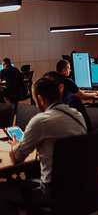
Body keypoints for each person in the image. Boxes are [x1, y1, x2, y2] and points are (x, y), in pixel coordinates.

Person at [0, 77, 87, 215]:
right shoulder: (77, 115)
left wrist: (16, 145)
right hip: (80, 187)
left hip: (51, 192)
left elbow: (16, 158)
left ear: (40, 99)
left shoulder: (40, 121)